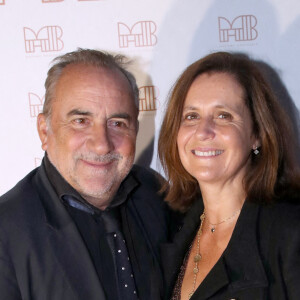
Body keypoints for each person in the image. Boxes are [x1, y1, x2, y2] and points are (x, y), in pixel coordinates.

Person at [0, 49, 170, 300]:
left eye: (117, 123)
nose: (102, 144)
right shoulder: (6, 232)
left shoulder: (155, 195)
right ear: (44, 131)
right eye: (81, 121)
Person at [158, 52, 300, 300]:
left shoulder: (290, 233)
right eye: (191, 116)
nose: (203, 131)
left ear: (256, 134)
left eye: (223, 115)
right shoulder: (172, 228)